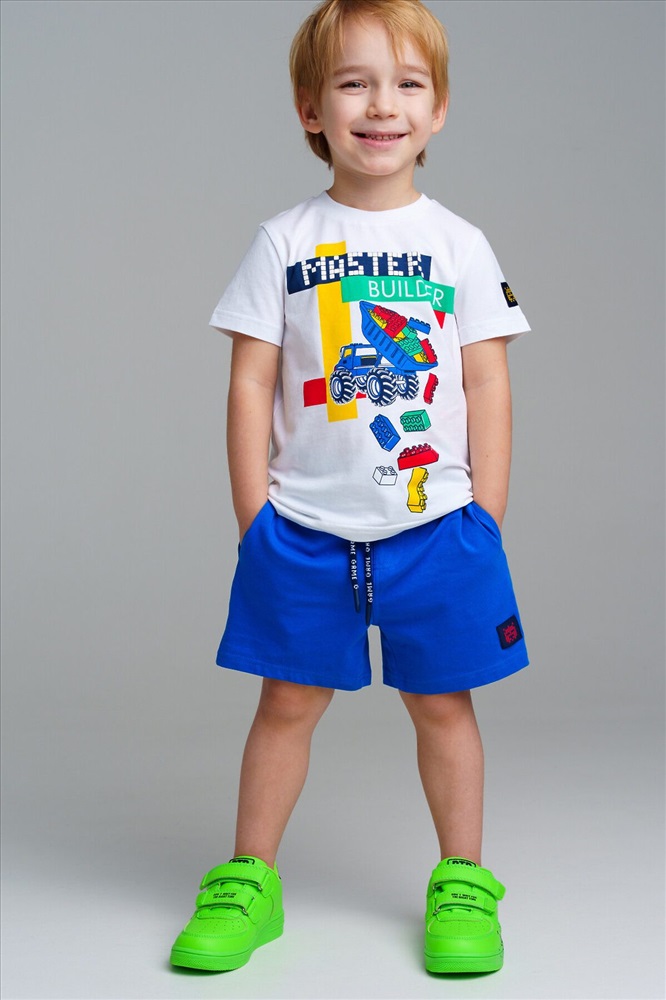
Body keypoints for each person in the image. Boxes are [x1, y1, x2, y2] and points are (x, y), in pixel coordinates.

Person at [170, 0, 531, 976]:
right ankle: (250, 879)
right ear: (310, 109)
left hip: (436, 528)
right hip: (303, 529)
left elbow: (487, 380)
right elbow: (249, 382)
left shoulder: (460, 245)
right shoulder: (283, 241)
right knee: (286, 704)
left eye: (408, 84)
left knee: (444, 706)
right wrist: (255, 517)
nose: (381, 105)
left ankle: (464, 880)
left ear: (439, 108)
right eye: (353, 83)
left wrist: (486, 515)